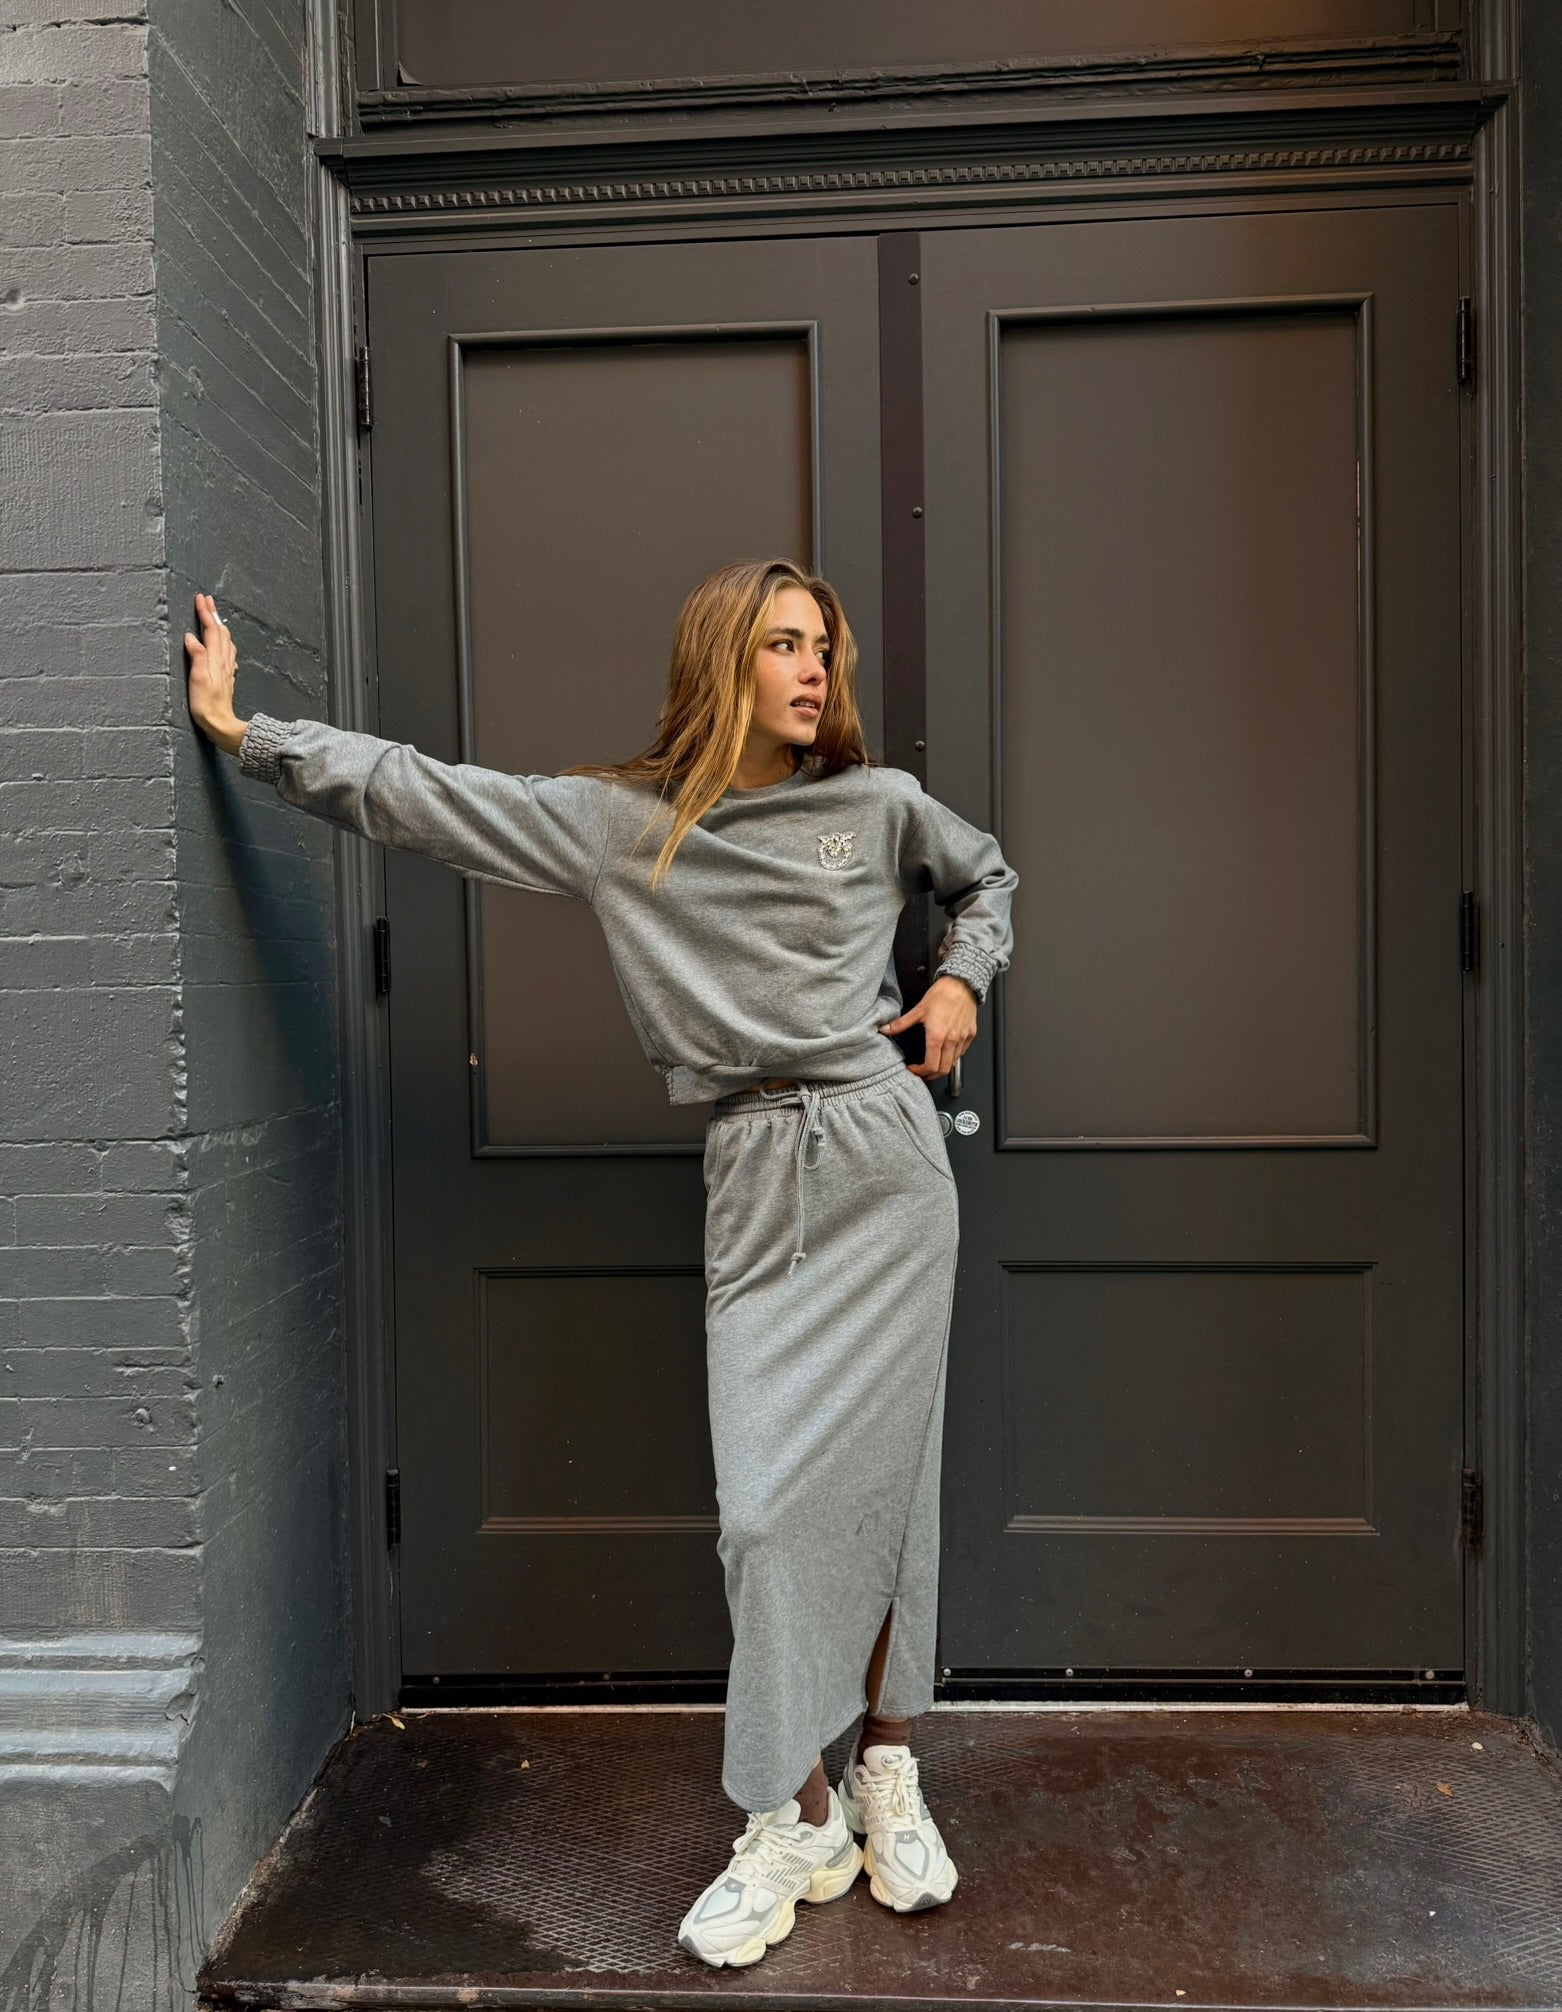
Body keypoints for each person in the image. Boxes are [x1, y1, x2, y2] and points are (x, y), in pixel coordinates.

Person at [184, 556, 1017, 1969]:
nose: (815, 668)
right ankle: (797, 1814)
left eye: (823, 646)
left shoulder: (878, 807)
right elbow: (430, 795)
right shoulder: (629, 826)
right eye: (782, 645)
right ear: (720, 661)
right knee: (766, 1518)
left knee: (893, 1486)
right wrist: (247, 736)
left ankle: (887, 1763)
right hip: (757, 1167)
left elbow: (985, 876)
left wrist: (955, 978)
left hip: (885, 1162)